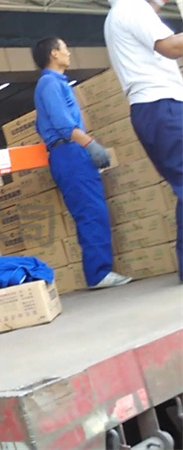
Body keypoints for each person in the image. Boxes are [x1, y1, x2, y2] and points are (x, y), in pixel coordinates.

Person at [31, 36, 133, 289]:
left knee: (91, 209)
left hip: (70, 152)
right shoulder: (49, 84)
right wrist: (90, 144)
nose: (68, 52)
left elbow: (44, 124)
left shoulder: (54, 83)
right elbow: (63, 124)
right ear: (54, 53)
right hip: (69, 153)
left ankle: (99, 270)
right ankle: (98, 273)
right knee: (91, 211)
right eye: (65, 48)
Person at [104, 0, 183, 283]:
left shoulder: (119, 14)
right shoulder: (132, 9)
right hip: (162, 104)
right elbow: (170, 47)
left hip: (152, 108)